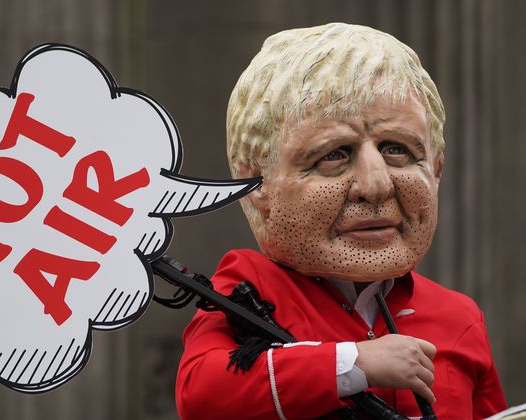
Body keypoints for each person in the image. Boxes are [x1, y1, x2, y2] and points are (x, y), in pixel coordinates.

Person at [175, 23, 507, 419]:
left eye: (397, 149)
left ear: (436, 169)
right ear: (256, 182)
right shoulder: (250, 291)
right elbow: (202, 394)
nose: (376, 185)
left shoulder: (459, 317)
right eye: (334, 155)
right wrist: (353, 364)